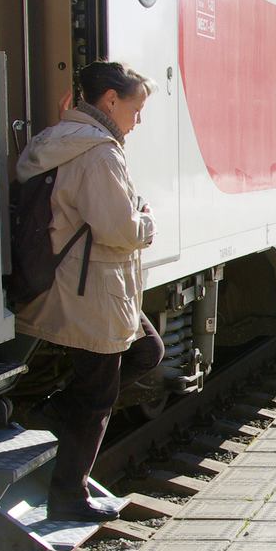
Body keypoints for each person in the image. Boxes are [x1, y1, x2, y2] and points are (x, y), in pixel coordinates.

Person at [16, 61, 165, 521]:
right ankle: (68, 495)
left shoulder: (59, 138)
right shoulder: (99, 152)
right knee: (98, 397)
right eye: (135, 109)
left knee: (146, 352)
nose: (136, 121)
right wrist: (147, 220)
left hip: (82, 282)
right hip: (91, 287)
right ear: (110, 101)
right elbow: (119, 227)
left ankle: (53, 416)